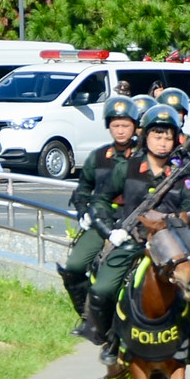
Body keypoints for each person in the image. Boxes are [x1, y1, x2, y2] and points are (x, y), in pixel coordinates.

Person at [86, 105, 190, 353]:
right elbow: (99, 200)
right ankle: (110, 340)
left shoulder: (184, 171)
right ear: (145, 137)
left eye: (168, 137)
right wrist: (110, 230)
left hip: (174, 240)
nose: (162, 143)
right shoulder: (126, 167)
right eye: (157, 136)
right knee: (101, 291)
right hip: (134, 239)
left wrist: (168, 220)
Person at [61, 96, 140, 337]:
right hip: (103, 217)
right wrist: (84, 212)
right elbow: (83, 189)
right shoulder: (98, 156)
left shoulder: (145, 155)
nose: (120, 130)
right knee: (74, 266)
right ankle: (89, 317)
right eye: (115, 125)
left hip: (136, 219)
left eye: (125, 125)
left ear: (135, 126)